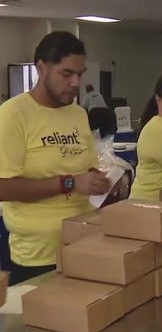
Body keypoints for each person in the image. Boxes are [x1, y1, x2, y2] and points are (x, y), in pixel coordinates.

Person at [0, 31, 112, 285]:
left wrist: (100, 180)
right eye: (66, 73)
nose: (75, 83)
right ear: (42, 68)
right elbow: (3, 186)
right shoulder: (13, 114)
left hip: (84, 239)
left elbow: (88, 168)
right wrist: (69, 183)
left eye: (80, 74)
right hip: (39, 256)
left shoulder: (77, 114)